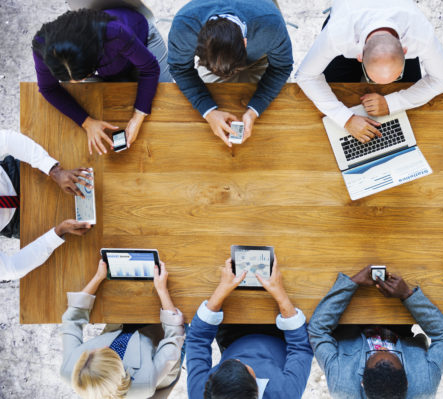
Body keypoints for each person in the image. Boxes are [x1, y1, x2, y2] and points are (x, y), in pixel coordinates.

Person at [296, 0, 443, 144]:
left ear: (405, 51)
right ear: (359, 57)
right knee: (335, 89)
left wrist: (392, 103)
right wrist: (346, 119)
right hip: (350, 19)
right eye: (372, 78)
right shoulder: (337, 34)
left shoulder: (420, 35)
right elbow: (306, 76)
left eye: (396, 75)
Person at [33, 7, 173, 155]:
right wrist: (87, 122)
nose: (79, 83)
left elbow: (150, 68)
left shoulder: (114, 33)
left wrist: (137, 117)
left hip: (142, 43)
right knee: (99, 106)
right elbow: (48, 88)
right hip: (109, 67)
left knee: (165, 100)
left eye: (84, 77)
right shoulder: (42, 46)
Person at [308, 265, 443, 399]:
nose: (382, 347)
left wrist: (352, 283)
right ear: (407, 381)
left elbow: (317, 331)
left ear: (362, 383)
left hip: (352, 321)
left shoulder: (341, 384)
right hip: (399, 323)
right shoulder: (425, 386)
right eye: (392, 354)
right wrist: (408, 295)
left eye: (373, 354)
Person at [168, 0, 293, 147]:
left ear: (246, 43)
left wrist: (255, 110)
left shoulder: (271, 24)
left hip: (260, 55)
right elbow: (179, 68)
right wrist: (208, 111)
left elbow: (282, 67)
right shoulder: (184, 28)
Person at [186, 257, 313, 399]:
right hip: (283, 335)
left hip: (232, 336)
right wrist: (280, 295)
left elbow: (196, 341)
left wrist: (221, 290)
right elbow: (300, 348)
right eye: (245, 367)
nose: (239, 359)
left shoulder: (200, 393)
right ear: (256, 390)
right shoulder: (285, 394)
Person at [61, 260, 185, 398]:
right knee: (182, 317)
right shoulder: (145, 381)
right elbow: (174, 337)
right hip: (157, 353)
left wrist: (98, 277)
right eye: (106, 351)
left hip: (120, 332)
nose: (100, 346)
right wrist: (162, 290)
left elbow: (71, 320)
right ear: (119, 366)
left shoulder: (70, 369)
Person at [0, 130, 92, 281]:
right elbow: (10, 270)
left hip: (18, 174)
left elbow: (6, 139)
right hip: (18, 221)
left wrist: (54, 170)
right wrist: (57, 233)